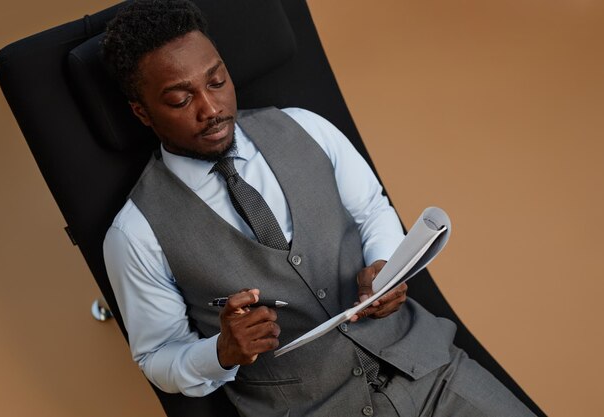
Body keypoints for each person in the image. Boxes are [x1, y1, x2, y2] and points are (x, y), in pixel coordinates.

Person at [102, 1, 535, 416]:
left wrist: (384, 265)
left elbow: (371, 211)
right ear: (142, 112)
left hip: (435, 374)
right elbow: (158, 357)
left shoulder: (306, 127)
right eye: (180, 100)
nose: (211, 109)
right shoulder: (135, 233)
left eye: (217, 82)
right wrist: (219, 351)